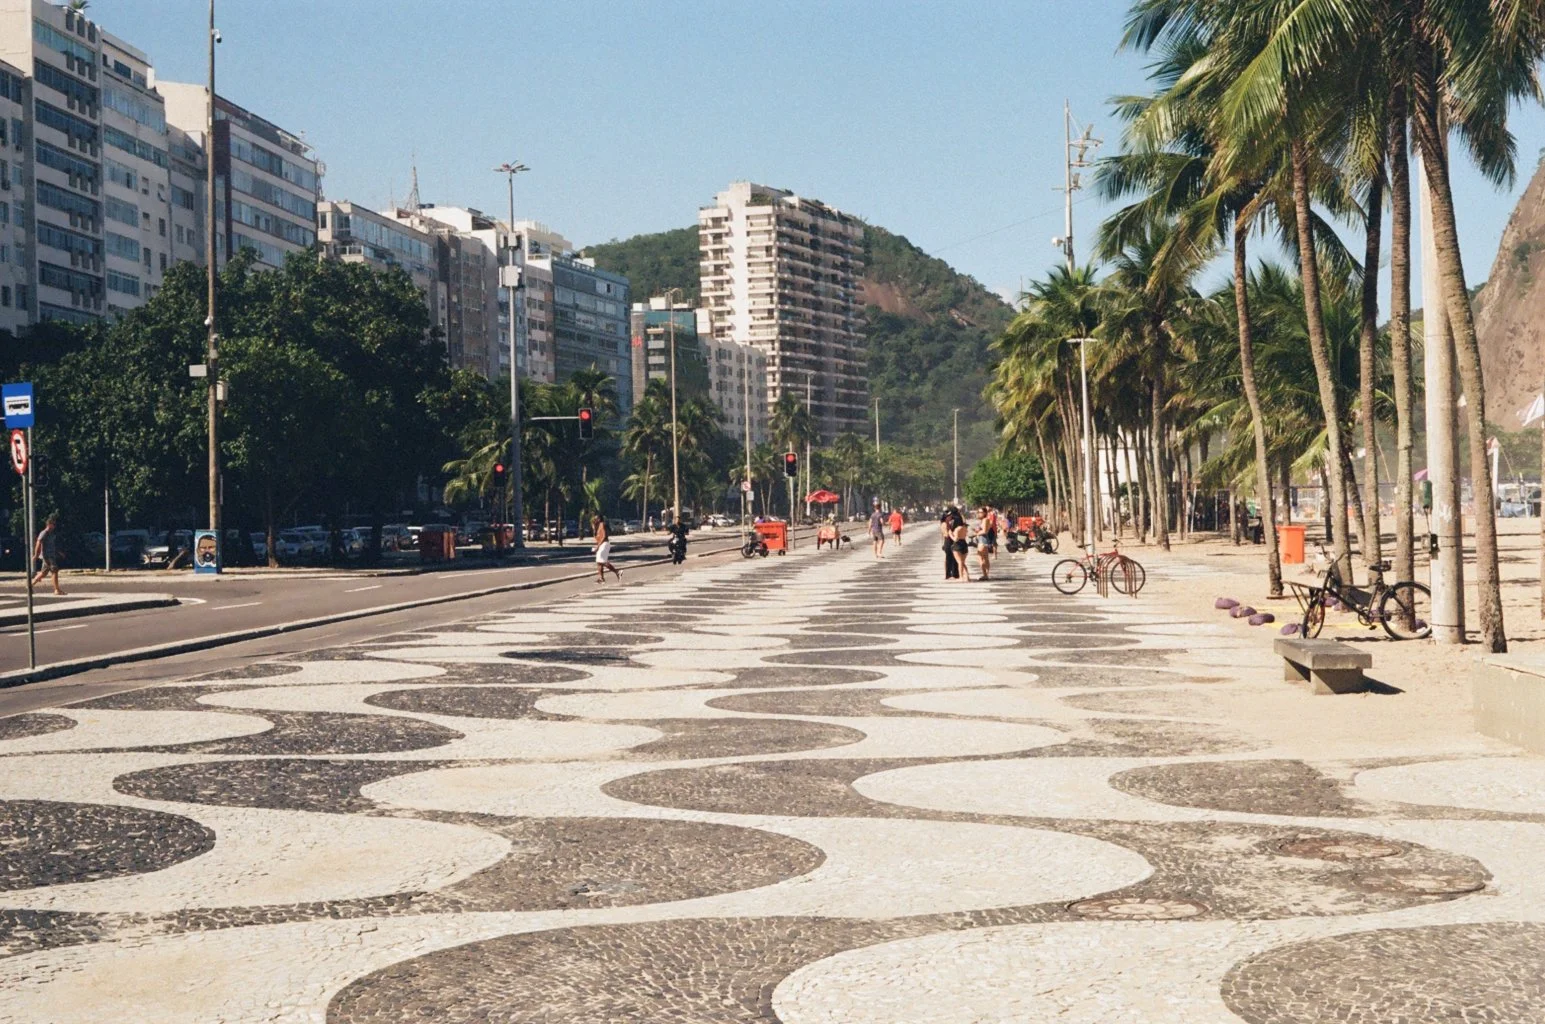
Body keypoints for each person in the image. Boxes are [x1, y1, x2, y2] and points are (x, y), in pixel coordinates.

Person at [32, 514, 64, 596]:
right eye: (53, 524)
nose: (54, 526)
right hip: (47, 556)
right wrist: (36, 555)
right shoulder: (44, 533)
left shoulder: (51, 534)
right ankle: (57, 590)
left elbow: (52, 545)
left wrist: (58, 552)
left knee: (44, 573)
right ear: (49, 524)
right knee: (55, 571)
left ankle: (30, 585)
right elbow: (38, 543)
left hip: (51, 555)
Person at [592, 515, 620, 584]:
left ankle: (617, 572)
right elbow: (597, 538)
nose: (594, 520)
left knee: (602, 561)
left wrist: (598, 547)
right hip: (602, 545)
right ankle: (602, 578)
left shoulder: (602, 524)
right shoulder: (598, 526)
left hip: (604, 544)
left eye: (595, 518)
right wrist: (594, 528)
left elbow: (604, 536)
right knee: (599, 562)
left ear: (599, 519)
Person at [973, 509, 993, 581]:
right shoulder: (984, 520)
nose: (978, 514)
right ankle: (986, 574)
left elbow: (984, 531)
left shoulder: (985, 520)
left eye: (980, 512)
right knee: (985, 558)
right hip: (983, 539)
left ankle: (985, 574)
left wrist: (976, 534)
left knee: (980, 557)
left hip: (983, 540)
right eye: (978, 512)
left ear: (984, 513)